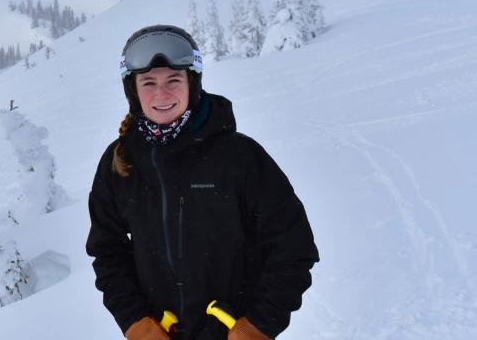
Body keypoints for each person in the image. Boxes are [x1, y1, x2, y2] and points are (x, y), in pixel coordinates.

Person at [87, 25, 318, 339]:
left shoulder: (238, 156)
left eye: (174, 80)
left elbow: (293, 247)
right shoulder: (120, 163)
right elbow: (108, 251)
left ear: (192, 84)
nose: (162, 94)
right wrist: (135, 321)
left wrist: (259, 325)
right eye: (149, 82)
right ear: (133, 90)